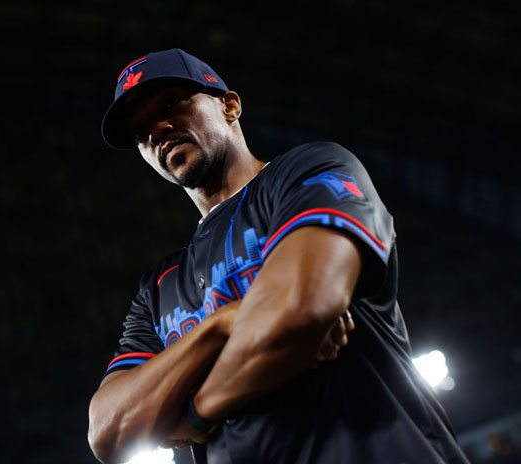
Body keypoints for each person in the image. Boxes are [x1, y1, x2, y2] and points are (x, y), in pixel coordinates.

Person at [87, 48, 470, 464]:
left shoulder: (307, 172)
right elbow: (110, 433)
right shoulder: (159, 286)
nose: (158, 130)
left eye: (172, 103)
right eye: (141, 131)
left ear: (229, 105)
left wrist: (195, 413)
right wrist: (220, 325)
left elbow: (300, 311)